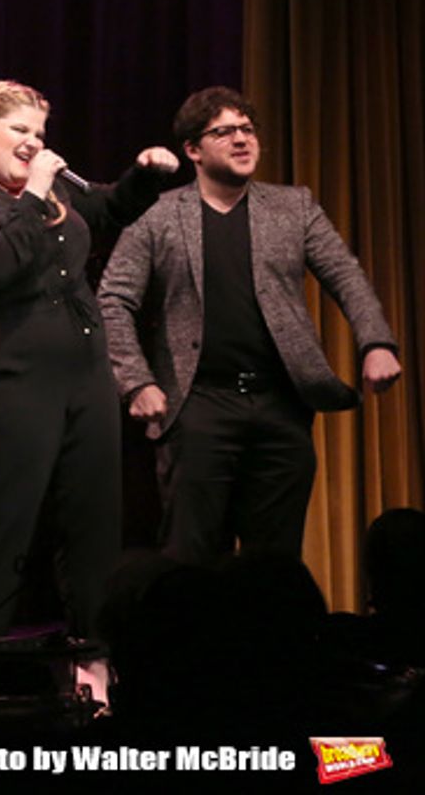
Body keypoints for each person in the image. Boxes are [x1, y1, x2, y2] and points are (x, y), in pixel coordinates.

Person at [98, 86, 401, 565]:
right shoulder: (158, 215)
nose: (242, 140)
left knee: (275, 563)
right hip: (198, 404)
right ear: (193, 150)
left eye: (247, 130)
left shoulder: (293, 207)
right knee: (190, 557)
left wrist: (376, 342)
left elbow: (346, 276)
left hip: (280, 406)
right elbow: (113, 300)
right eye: (224, 132)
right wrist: (136, 382)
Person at [0, 79, 178, 638]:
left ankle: (95, 660)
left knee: (94, 524)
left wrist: (147, 174)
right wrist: (34, 196)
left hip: (85, 374)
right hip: (12, 380)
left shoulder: (58, 193)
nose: (33, 143)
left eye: (39, 132)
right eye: (19, 130)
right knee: (6, 524)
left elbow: (112, 206)